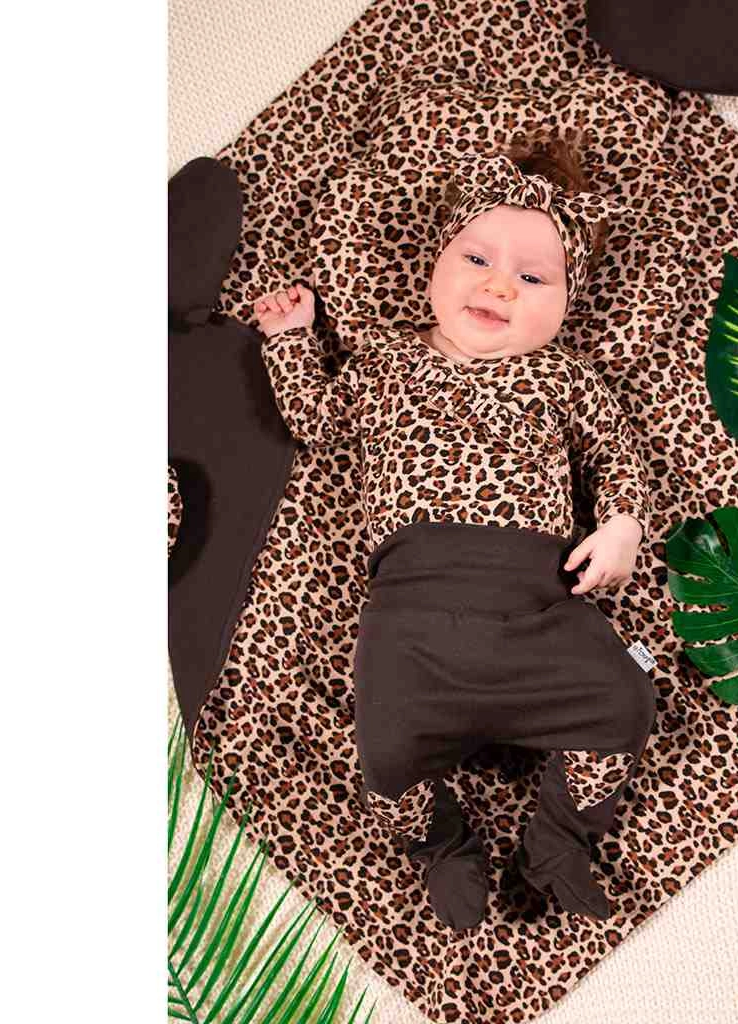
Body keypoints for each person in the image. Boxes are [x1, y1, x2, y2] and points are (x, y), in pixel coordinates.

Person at [254, 138, 657, 932]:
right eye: (476, 259)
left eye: (533, 278)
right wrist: (293, 340)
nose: (500, 285)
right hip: (413, 628)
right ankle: (443, 845)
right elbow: (318, 421)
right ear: (434, 267)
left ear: (565, 306)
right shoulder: (383, 365)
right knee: (384, 760)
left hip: (540, 612)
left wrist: (622, 524)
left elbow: (616, 454)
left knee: (628, 698)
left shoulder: (564, 377)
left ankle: (558, 838)